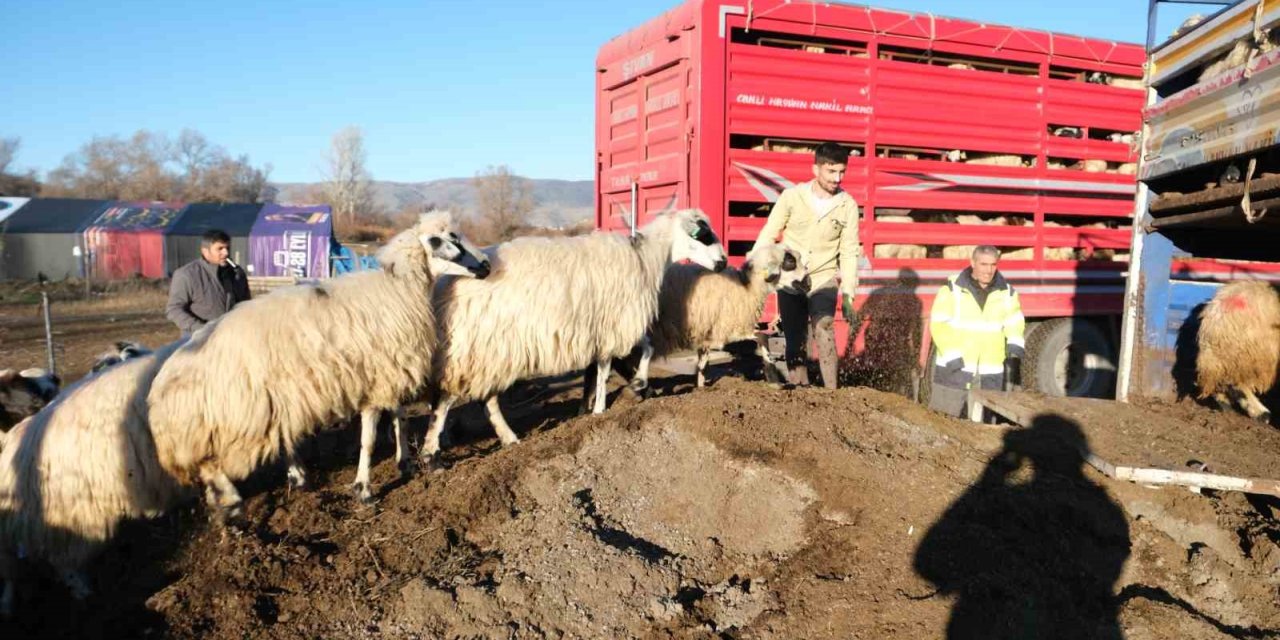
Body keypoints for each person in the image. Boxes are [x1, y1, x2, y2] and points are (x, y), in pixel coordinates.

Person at [752, 141, 861, 388]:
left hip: (823, 277)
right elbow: (769, 234)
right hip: (792, 280)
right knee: (795, 336)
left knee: (823, 325)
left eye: (842, 171)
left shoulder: (848, 206)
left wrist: (848, 293)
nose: (837, 178)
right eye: (831, 171)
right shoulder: (792, 197)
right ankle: (799, 390)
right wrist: (762, 267)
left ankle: (832, 392)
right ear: (816, 169)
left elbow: (849, 251)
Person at [927, 245, 1025, 417]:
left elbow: (1014, 321)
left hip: (990, 374)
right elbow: (939, 324)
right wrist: (952, 357)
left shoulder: (1007, 293)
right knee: (941, 422)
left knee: (981, 431)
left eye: (993, 265)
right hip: (954, 369)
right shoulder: (952, 289)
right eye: (983, 264)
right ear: (973, 263)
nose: (988, 270)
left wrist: (1015, 346)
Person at [167, 229, 251, 337]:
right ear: (205, 251)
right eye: (220, 249)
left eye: (227, 248)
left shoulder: (237, 274)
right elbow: (174, 310)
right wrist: (201, 329)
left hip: (231, 338)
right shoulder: (187, 275)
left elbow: (245, 306)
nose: (225, 253)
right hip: (196, 341)